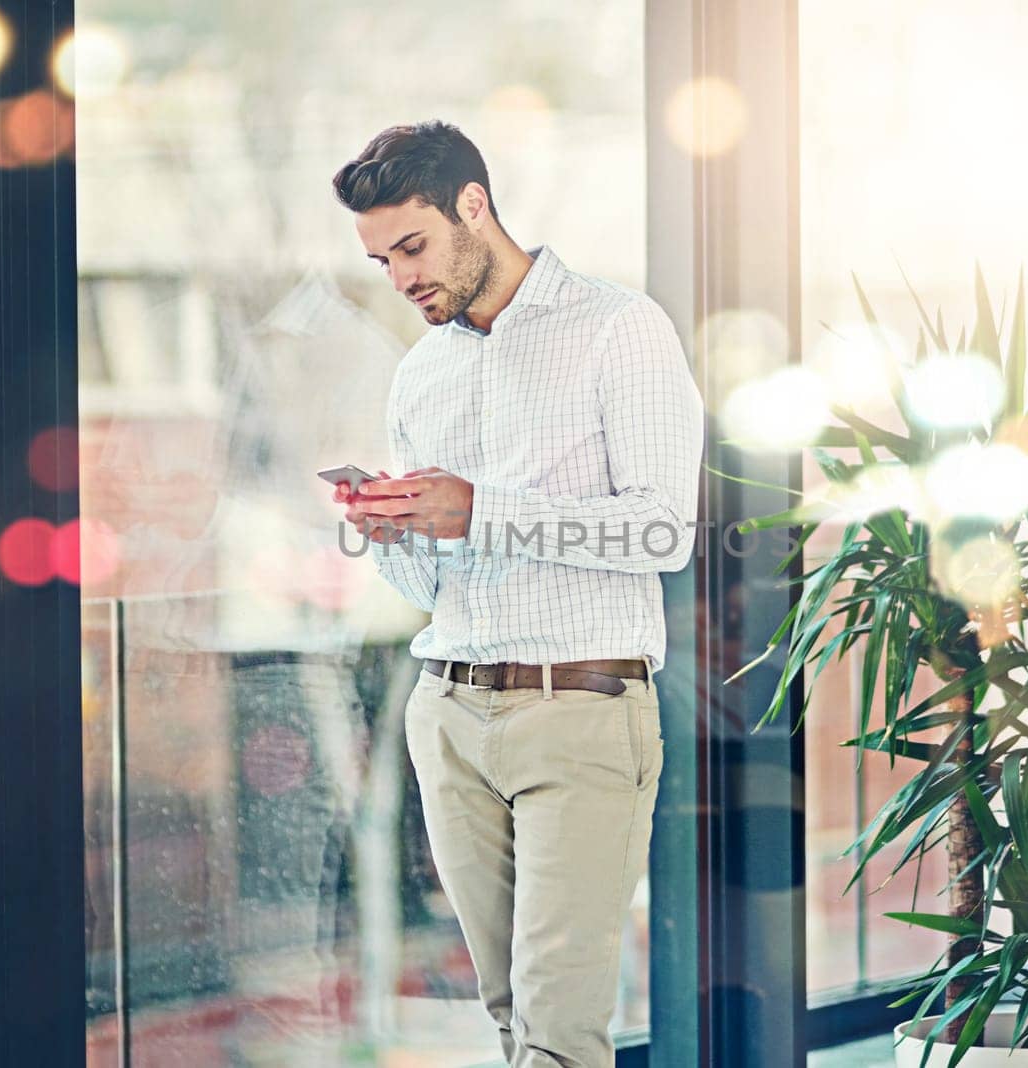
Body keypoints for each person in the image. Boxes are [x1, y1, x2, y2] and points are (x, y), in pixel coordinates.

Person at [328, 120, 704, 1067]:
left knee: (559, 1028)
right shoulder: (424, 373)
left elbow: (665, 530)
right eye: (380, 261)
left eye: (412, 247)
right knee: (509, 1016)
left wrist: (479, 510)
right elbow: (430, 573)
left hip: (579, 711)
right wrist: (391, 528)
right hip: (448, 713)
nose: (402, 277)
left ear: (474, 206)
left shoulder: (620, 327)